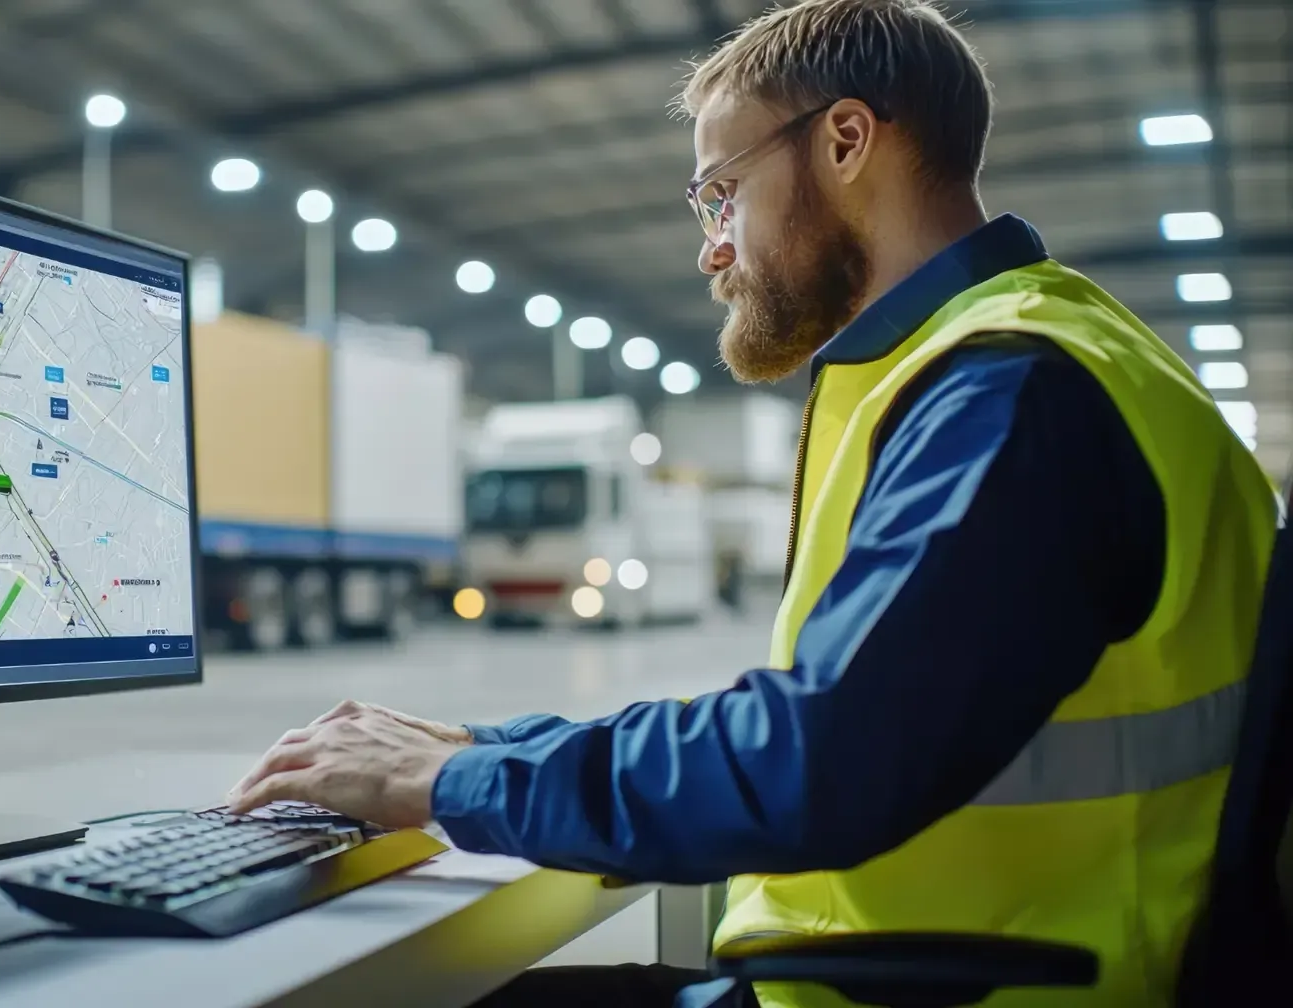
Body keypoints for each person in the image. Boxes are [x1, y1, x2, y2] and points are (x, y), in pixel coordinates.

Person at [227, 0, 1280, 1004]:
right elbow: (815, 714)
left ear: (847, 141)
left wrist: (455, 788)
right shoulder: (1018, 357)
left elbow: (820, 762)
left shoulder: (1006, 396)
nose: (711, 248)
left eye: (720, 192)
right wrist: (480, 747)